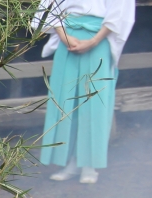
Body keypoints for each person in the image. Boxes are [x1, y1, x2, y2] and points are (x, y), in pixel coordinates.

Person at [37, 0, 135, 184]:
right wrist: (64, 36)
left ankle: (90, 165)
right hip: (68, 36)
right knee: (66, 100)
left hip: (99, 38)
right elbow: (50, 6)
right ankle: (72, 162)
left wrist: (94, 41)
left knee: (94, 101)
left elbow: (120, 11)